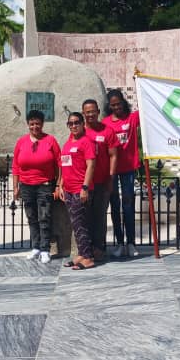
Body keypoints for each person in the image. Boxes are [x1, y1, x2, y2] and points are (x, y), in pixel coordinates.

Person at [12, 110, 60, 264]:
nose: (35, 126)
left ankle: (45, 249)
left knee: (44, 217)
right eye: (32, 123)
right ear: (28, 124)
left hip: (45, 185)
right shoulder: (21, 142)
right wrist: (15, 187)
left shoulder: (50, 141)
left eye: (37, 123)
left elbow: (59, 164)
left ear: (42, 124)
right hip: (26, 185)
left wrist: (59, 185)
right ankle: (36, 247)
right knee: (32, 217)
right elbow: (15, 166)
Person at [102, 89, 141, 257]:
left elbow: (147, 107)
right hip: (111, 171)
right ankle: (119, 243)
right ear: (109, 106)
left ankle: (131, 243)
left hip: (128, 169)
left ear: (123, 102)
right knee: (115, 207)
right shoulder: (105, 123)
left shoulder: (132, 118)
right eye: (113, 105)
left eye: (118, 104)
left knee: (128, 206)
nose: (116, 107)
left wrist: (140, 81)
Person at [58, 112, 97, 270]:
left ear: (82, 124)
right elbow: (64, 166)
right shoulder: (68, 143)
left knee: (80, 224)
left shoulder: (86, 142)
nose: (74, 126)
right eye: (71, 123)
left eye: (76, 123)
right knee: (76, 224)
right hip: (68, 189)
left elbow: (91, 165)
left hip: (80, 190)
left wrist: (85, 187)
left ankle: (88, 258)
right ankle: (81, 253)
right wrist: (60, 185)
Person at [82, 99, 118, 261]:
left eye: (92, 111)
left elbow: (113, 155)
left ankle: (99, 247)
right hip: (85, 184)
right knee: (86, 216)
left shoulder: (107, 131)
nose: (90, 114)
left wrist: (111, 177)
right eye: (87, 112)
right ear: (83, 114)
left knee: (100, 216)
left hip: (103, 181)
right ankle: (86, 248)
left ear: (98, 112)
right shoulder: (79, 131)